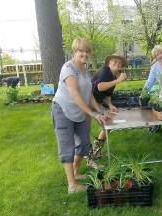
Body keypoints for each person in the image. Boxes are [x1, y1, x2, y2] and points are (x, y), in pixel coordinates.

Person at [52, 38, 106, 194]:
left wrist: (100, 110)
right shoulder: (68, 68)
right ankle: (72, 185)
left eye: (87, 51)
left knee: (83, 143)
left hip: (80, 110)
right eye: (81, 51)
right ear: (74, 51)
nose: (84, 54)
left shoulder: (84, 69)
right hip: (63, 109)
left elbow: (88, 94)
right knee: (67, 146)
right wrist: (92, 113)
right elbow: (75, 95)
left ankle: (75, 172)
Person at [90, 54, 127, 164]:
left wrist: (110, 105)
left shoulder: (114, 75)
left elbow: (107, 94)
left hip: (98, 102)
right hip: (89, 101)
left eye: (119, 62)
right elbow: (100, 87)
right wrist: (118, 80)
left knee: (107, 125)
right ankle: (93, 155)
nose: (117, 63)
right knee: (105, 124)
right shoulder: (105, 71)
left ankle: (96, 152)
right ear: (108, 63)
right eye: (114, 61)